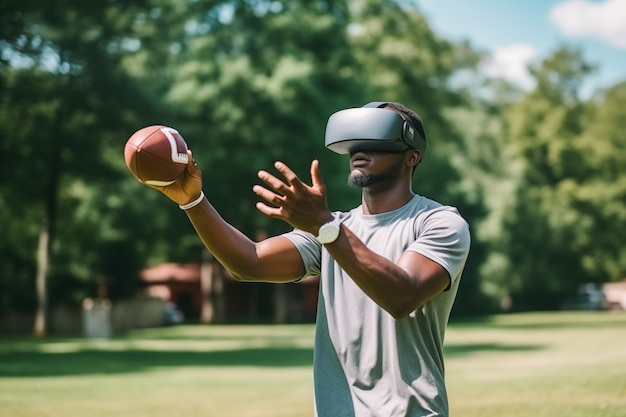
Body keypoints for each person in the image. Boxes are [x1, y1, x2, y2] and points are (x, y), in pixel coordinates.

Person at [148, 101, 471, 417]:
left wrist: (324, 227)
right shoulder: (335, 228)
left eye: (377, 141)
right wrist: (193, 202)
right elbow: (249, 262)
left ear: (411, 156)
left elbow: (403, 296)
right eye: (355, 141)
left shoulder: (438, 222)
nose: (360, 148)